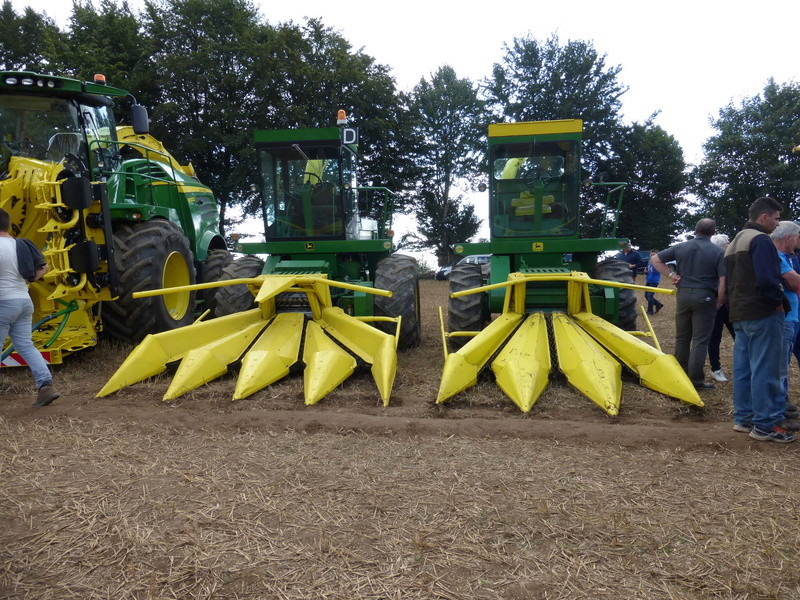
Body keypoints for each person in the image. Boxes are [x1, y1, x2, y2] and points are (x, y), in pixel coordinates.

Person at [725, 197, 792, 442]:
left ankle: (744, 419)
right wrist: (778, 302)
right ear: (763, 217)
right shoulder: (761, 240)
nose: (777, 224)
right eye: (775, 218)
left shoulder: (735, 242)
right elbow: (767, 280)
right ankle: (766, 424)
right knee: (767, 369)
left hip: (741, 314)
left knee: (744, 369)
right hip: (763, 313)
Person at [650, 218, 725, 390]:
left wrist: (671, 275)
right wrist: (720, 300)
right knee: (700, 340)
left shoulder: (681, 247)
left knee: (682, 337)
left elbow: (655, 260)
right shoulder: (718, 252)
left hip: (683, 295)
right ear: (713, 233)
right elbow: (723, 280)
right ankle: (695, 381)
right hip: (705, 297)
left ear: (695, 231)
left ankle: (679, 377)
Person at [0, 208, 60, 407]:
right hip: (24, 302)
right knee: (25, 345)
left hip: (4, 303)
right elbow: (44, 267)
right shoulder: (21, 244)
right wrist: (29, 281)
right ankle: (45, 386)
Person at [770, 221, 800, 431]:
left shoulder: (783, 256)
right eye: (797, 238)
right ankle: (777, 414)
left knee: (782, 365)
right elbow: (796, 283)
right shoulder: (778, 256)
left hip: (789, 318)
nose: (798, 243)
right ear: (788, 237)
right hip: (785, 319)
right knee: (779, 367)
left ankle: (782, 406)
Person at [707, 234, 735, 382]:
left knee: (739, 334)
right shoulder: (713, 261)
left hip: (730, 304)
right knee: (715, 337)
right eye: (727, 243)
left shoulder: (729, 260)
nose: (730, 244)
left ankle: (742, 365)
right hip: (716, 303)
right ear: (721, 246)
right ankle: (715, 368)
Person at [644, 249, 664, 315]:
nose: (652, 256)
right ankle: (658, 304)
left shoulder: (659, 262)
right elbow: (648, 270)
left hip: (654, 280)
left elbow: (658, 271)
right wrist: (646, 271)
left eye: (654, 255)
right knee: (646, 296)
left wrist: (655, 264)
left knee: (650, 296)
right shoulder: (649, 262)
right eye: (651, 254)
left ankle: (650, 311)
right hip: (648, 280)